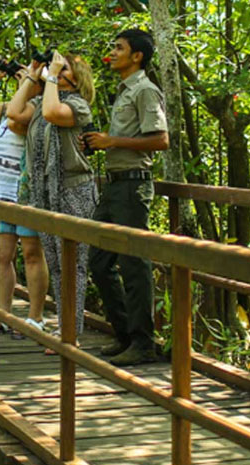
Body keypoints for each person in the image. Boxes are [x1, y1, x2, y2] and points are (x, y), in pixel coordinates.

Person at [82, 29, 170, 366]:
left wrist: (113, 142)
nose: (112, 52)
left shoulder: (146, 90)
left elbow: (161, 141)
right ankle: (125, 334)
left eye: (119, 48)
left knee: (134, 264)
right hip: (114, 185)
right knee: (100, 262)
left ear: (137, 56)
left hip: (133, 187)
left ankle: (143, 342)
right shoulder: (124, 92)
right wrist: (99, 143)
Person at [6, 51, 99, 354]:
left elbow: (50, 113)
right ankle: (63, 324)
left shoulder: (77, 106)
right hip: (44, 193)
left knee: (75, 264)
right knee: (57, 264)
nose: (56, 71)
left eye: (64, 69)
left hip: (75, 191)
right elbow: (14, 114)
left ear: (76, 77)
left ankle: (71, 332)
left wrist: (50, 77)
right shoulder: (43, 99)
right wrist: (34, 75)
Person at [0, 59, 49, 337]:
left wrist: (30, 80)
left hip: (25, 193)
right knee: (2, 255)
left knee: (31, 253)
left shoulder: (38, 110)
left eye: (28, 78)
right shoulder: (7, 107)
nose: (21, 78)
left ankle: (35, 316)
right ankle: (4, 312)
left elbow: (17, 120)